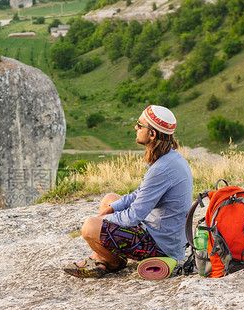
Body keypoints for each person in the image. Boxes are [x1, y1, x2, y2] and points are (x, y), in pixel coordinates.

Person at [64, 105, 193, 278]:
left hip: (162, 245)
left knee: (89, 227)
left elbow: (134, 216)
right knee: (109, 200)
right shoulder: (170, 158)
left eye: (140, 125)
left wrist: (102, 219)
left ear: (152, 134)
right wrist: (113, 208)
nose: (136, 128)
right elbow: (140, 193)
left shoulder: (162, 169)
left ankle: (113, 262)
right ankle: (102, 256)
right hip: (164, 233)